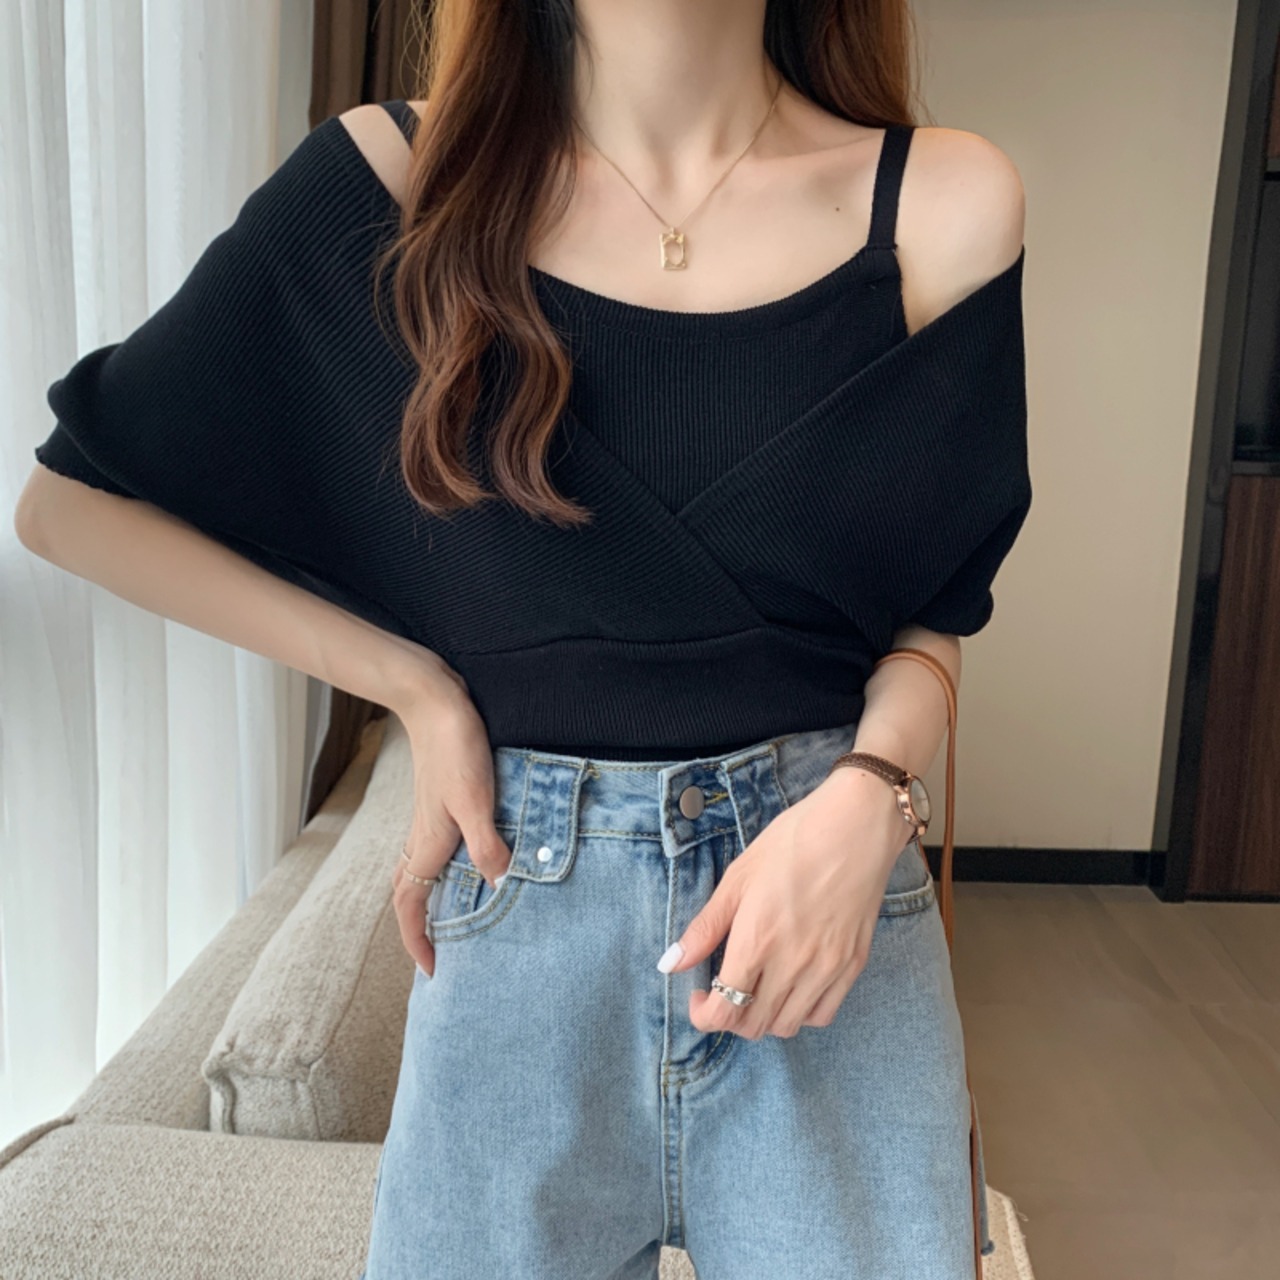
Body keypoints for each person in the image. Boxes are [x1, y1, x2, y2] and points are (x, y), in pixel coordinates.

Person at [18, 2, 1031, 1276]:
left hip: (821, 923)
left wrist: (872, 795)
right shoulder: (393, 189)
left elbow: (935, 608)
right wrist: (413, 685)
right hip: (519, 930)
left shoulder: (941, 205)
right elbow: (71, 505)